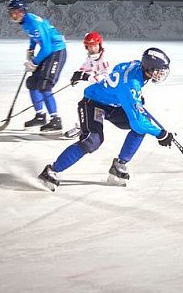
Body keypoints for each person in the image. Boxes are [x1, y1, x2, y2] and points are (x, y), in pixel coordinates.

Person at [37, 47, 174, 190]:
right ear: (149, 68)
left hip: (114, 104)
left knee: (144, 124)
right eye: (158, 71)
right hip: (93, 102)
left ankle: (119, 165)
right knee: (92, 141)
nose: (160, 75)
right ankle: (51, 171)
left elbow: (119, 68)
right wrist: (161, 134)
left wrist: (132, 98)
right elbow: (137, 121)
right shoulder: (131, 85)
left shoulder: (136, 65)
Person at [7, 0, 67, 132]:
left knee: (45, 85)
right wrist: (31, 49)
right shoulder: (25, 22)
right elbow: (33, 37)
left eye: (15, 12)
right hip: (48, 51)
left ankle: (55, 120)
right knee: (32, 83)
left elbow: (47, 48)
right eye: (11, 12)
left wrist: (34, 63)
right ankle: (40, 116)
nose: (13, 15)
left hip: (56, 51)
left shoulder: (33, 23)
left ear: (22, 11)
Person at [63, 31, 111, 139]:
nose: (92, 49)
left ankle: (88, 130)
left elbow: (107, 78)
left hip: (111, 91)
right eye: (89, 46)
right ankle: (83, 127)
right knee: (85, 103)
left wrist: (86, 77)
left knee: (89, 104)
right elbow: (86, 69)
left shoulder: (105, 58)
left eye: (94, 46)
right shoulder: (91, 57)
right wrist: (78, 76)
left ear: (100, 44)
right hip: (100, 89)